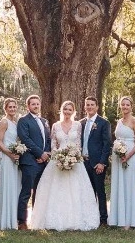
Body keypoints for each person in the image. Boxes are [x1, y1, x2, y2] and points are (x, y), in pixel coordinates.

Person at [28, 100, 100, 231]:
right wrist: (60, 157)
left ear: (73, 112)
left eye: (70, 110)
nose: (67, 112)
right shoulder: (55, 125)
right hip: (58, 161)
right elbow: (53, 145)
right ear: (62, 110)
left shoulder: (78, 125)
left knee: (76, 190)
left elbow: (78, 143)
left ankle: (76, 219)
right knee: (56, 190)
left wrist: (73, 157)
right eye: (65, 109)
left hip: (75, 161)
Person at [108, 96, 135, 229]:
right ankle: (119, 219)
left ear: (131, 106)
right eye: (123, 105)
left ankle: (131, 221)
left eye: (127, 105)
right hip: (118, 156)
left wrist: (128, 155)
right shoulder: (119, 121)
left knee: (129, 185)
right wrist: (118, 151)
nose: (125, 107)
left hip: (130, 154)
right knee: (119, 185)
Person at [16, 94, 51, 229]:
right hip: (30, 161)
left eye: (37, 104)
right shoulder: (23, 121)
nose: (36, 106)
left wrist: (46, 153)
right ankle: (22, 222)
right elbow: (25, 139)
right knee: (26, 192)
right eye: (33, 104)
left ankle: (37, 220)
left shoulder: (44, 121)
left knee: (40, 191)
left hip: (43, 162)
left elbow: (48, 139)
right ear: (28, 106)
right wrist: (39, 153)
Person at [81, 97, 112, 226]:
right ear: (85, 107)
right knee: (87, 191)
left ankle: (103, 218)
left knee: (100, 191)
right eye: (87, 105)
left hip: (97, 163)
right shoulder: (81, 123)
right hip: (83, 162)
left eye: (92, 105)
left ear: (97, 107)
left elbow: (107, 144)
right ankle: (89, 217)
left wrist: (102, 162)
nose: (90, 107)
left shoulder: (103, 123)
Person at [0, 97, 21, 230]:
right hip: (6, 157)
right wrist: (9, 154)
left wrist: (18, 152)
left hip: (15, 158)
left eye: (14, 107)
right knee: (7, 186)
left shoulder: (15, 122)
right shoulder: (4, 122)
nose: (12, 109)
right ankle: (4, 220)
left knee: (14, 187)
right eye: (10, 107)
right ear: (5, 108)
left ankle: (13, 218)